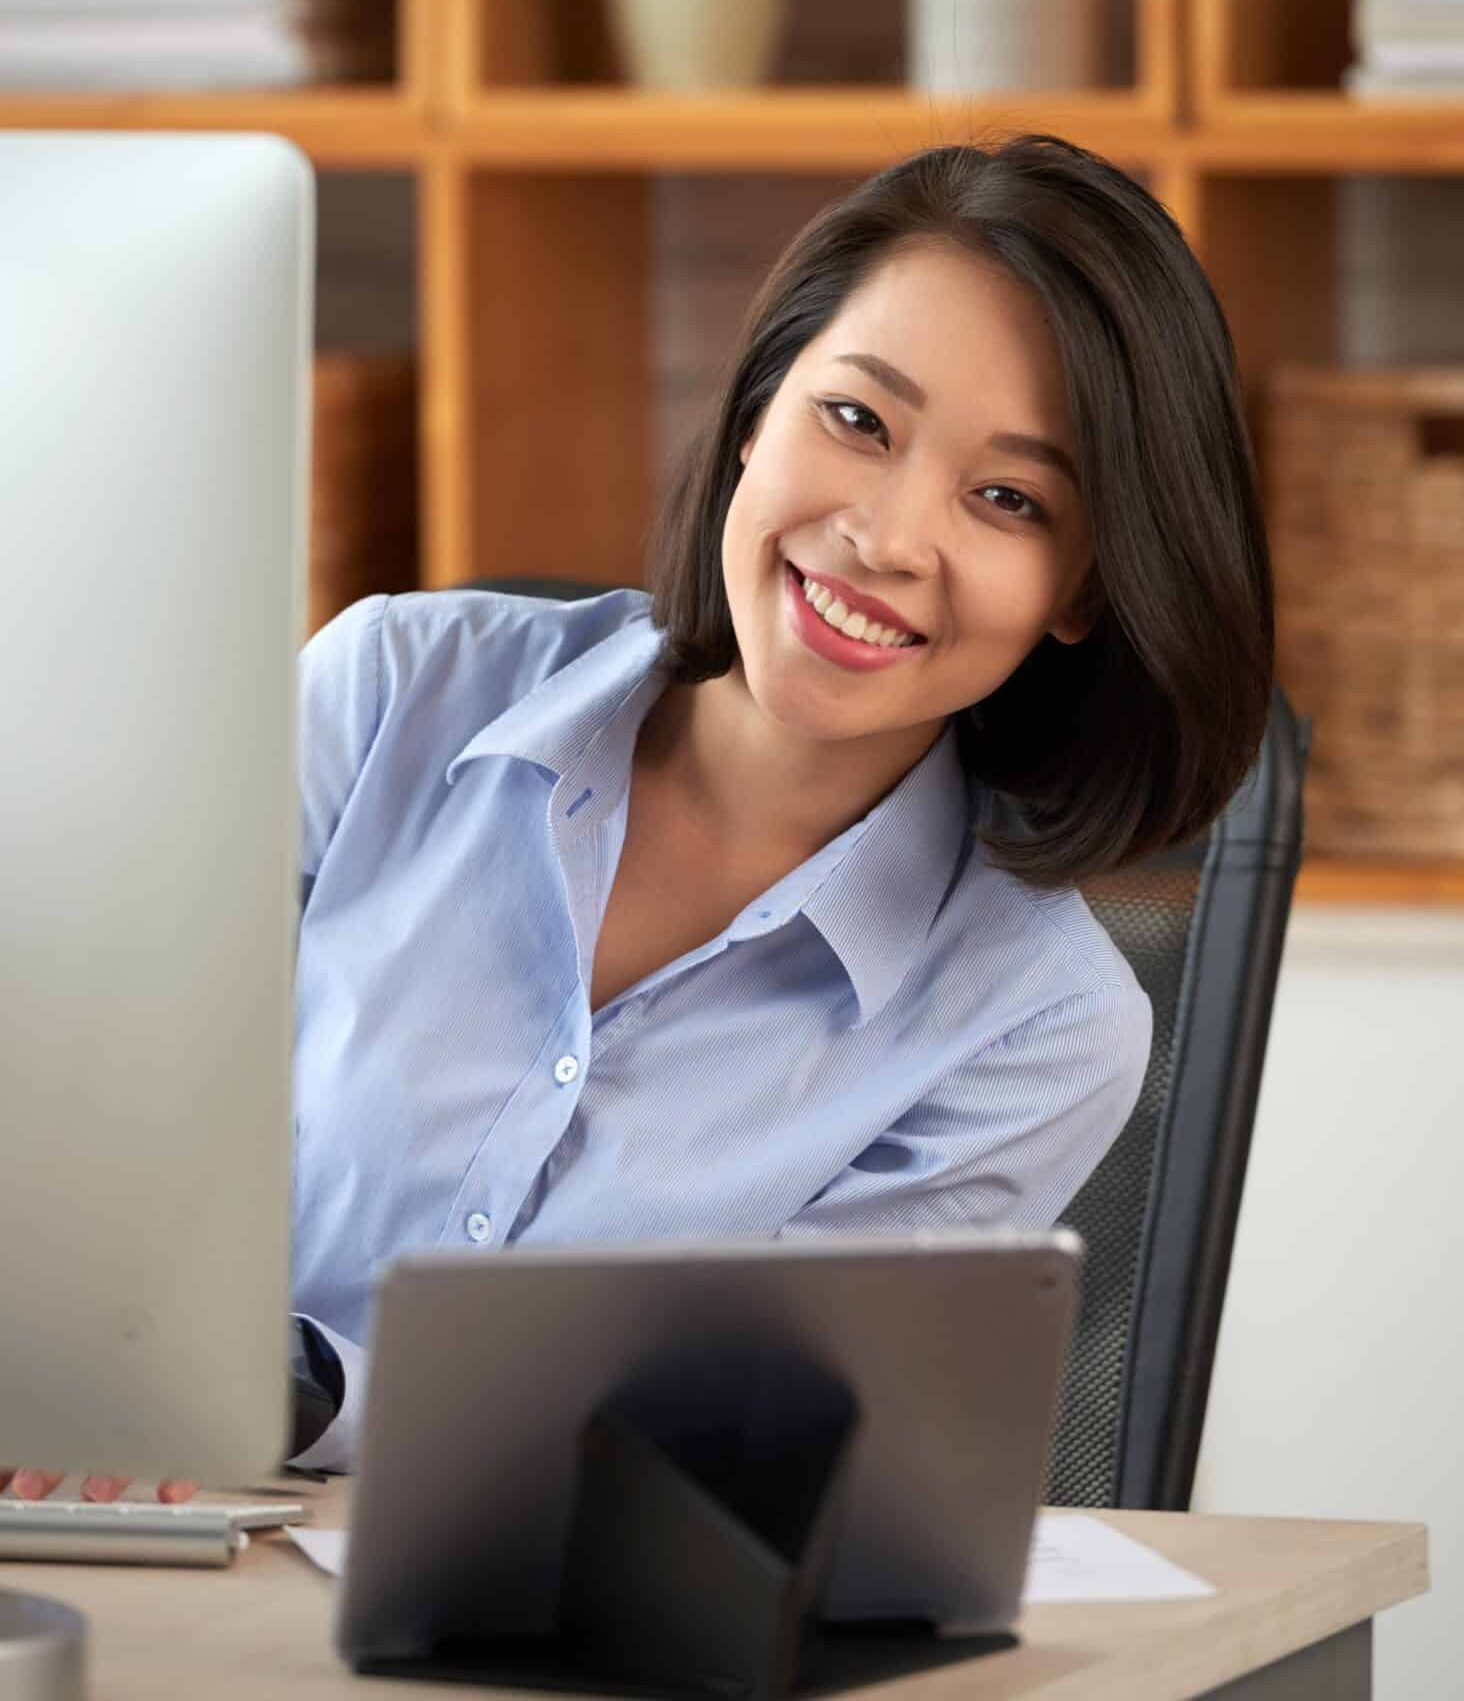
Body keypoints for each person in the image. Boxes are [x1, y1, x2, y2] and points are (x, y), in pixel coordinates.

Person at [4, 132, 1273, 1497]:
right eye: (858, 421)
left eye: (1008, 499)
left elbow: (724, 1435)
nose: (891, 538)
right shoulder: (388, 694)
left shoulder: (1037, 1023)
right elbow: (78, 1107)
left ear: (1081, 591)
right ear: (755, 411)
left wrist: (298, 1397)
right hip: (117, 1521)